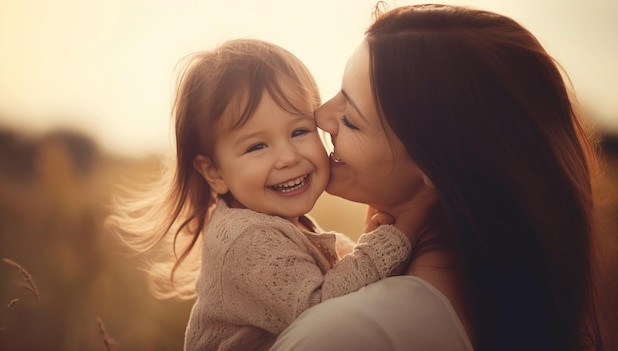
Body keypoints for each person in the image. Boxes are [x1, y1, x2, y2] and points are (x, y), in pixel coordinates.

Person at [271, 3, 606, 351]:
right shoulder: (498, 309)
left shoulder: (346, 334)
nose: (321, 116)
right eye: (337, 93)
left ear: (433, 166)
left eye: (351, 119)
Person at [107, 38, 415, 351]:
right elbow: (323, 313)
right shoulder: (248, 238)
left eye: (299, 131)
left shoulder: (274, 220)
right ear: (215, 172)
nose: (287, 157)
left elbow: (323, 272)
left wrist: (362, 246)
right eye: (257, 146)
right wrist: (390, 241)